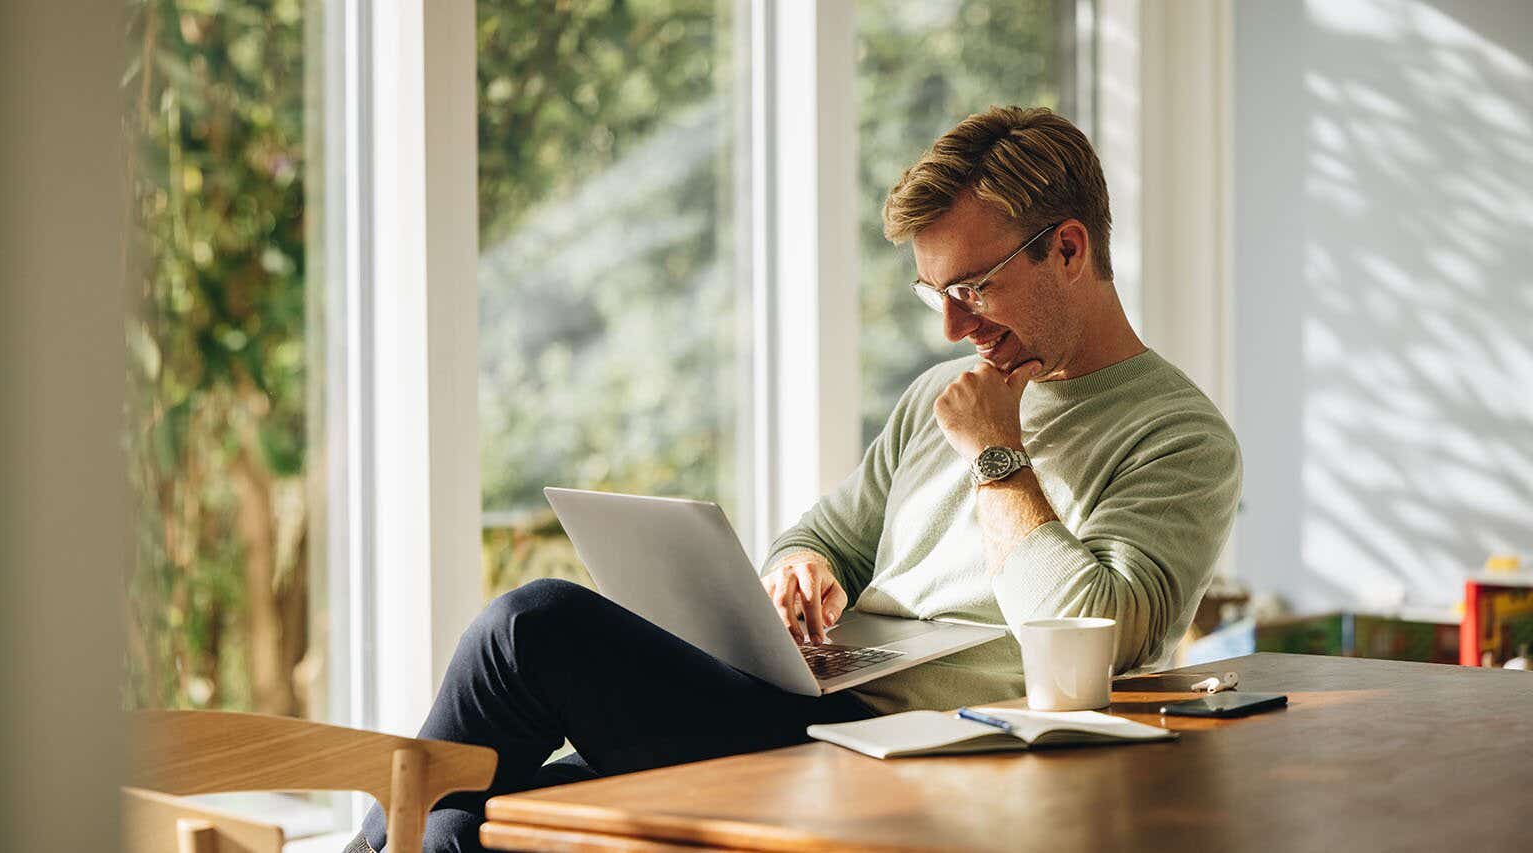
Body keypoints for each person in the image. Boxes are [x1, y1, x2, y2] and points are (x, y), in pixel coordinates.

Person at [347, 106, 1242, 853]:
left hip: (912, 755)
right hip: (798, 705)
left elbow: (1105, 636)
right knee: (462, 824)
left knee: (530, 624)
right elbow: (826, 535)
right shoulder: (940, 395)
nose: (950, 329)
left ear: (1070, 249)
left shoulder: (1180, 437)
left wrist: (996, 455)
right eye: (936, 295)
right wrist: (799, 568)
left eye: (973, 287)